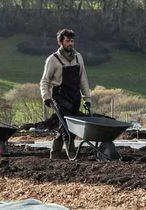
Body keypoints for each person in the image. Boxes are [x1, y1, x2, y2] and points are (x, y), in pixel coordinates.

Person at [40, 29, 91, 159]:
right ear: (60, 42)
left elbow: (83, 79)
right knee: (67, 128)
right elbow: (45, 80)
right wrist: (46, 96)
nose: (70, 43)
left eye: (72, 41)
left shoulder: (78, 57)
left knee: (68, 126)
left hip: (75, 96)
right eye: (67, 41)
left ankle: (54, 154)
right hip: (60, 96)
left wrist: (87, 98)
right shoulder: (53, 59)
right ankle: (72, 155)